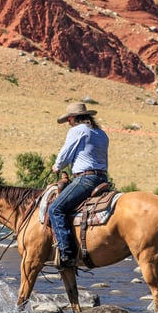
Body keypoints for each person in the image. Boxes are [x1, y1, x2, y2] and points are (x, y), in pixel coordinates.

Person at [48, 102, 109, 269]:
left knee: (55, 209)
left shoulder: (77, 130)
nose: (68, 123)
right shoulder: (101, 133)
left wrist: (57, 166)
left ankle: (66, 254)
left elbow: (65, 155)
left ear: (73, 118)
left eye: (69, 119)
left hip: (85, 180)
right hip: (103, 179)